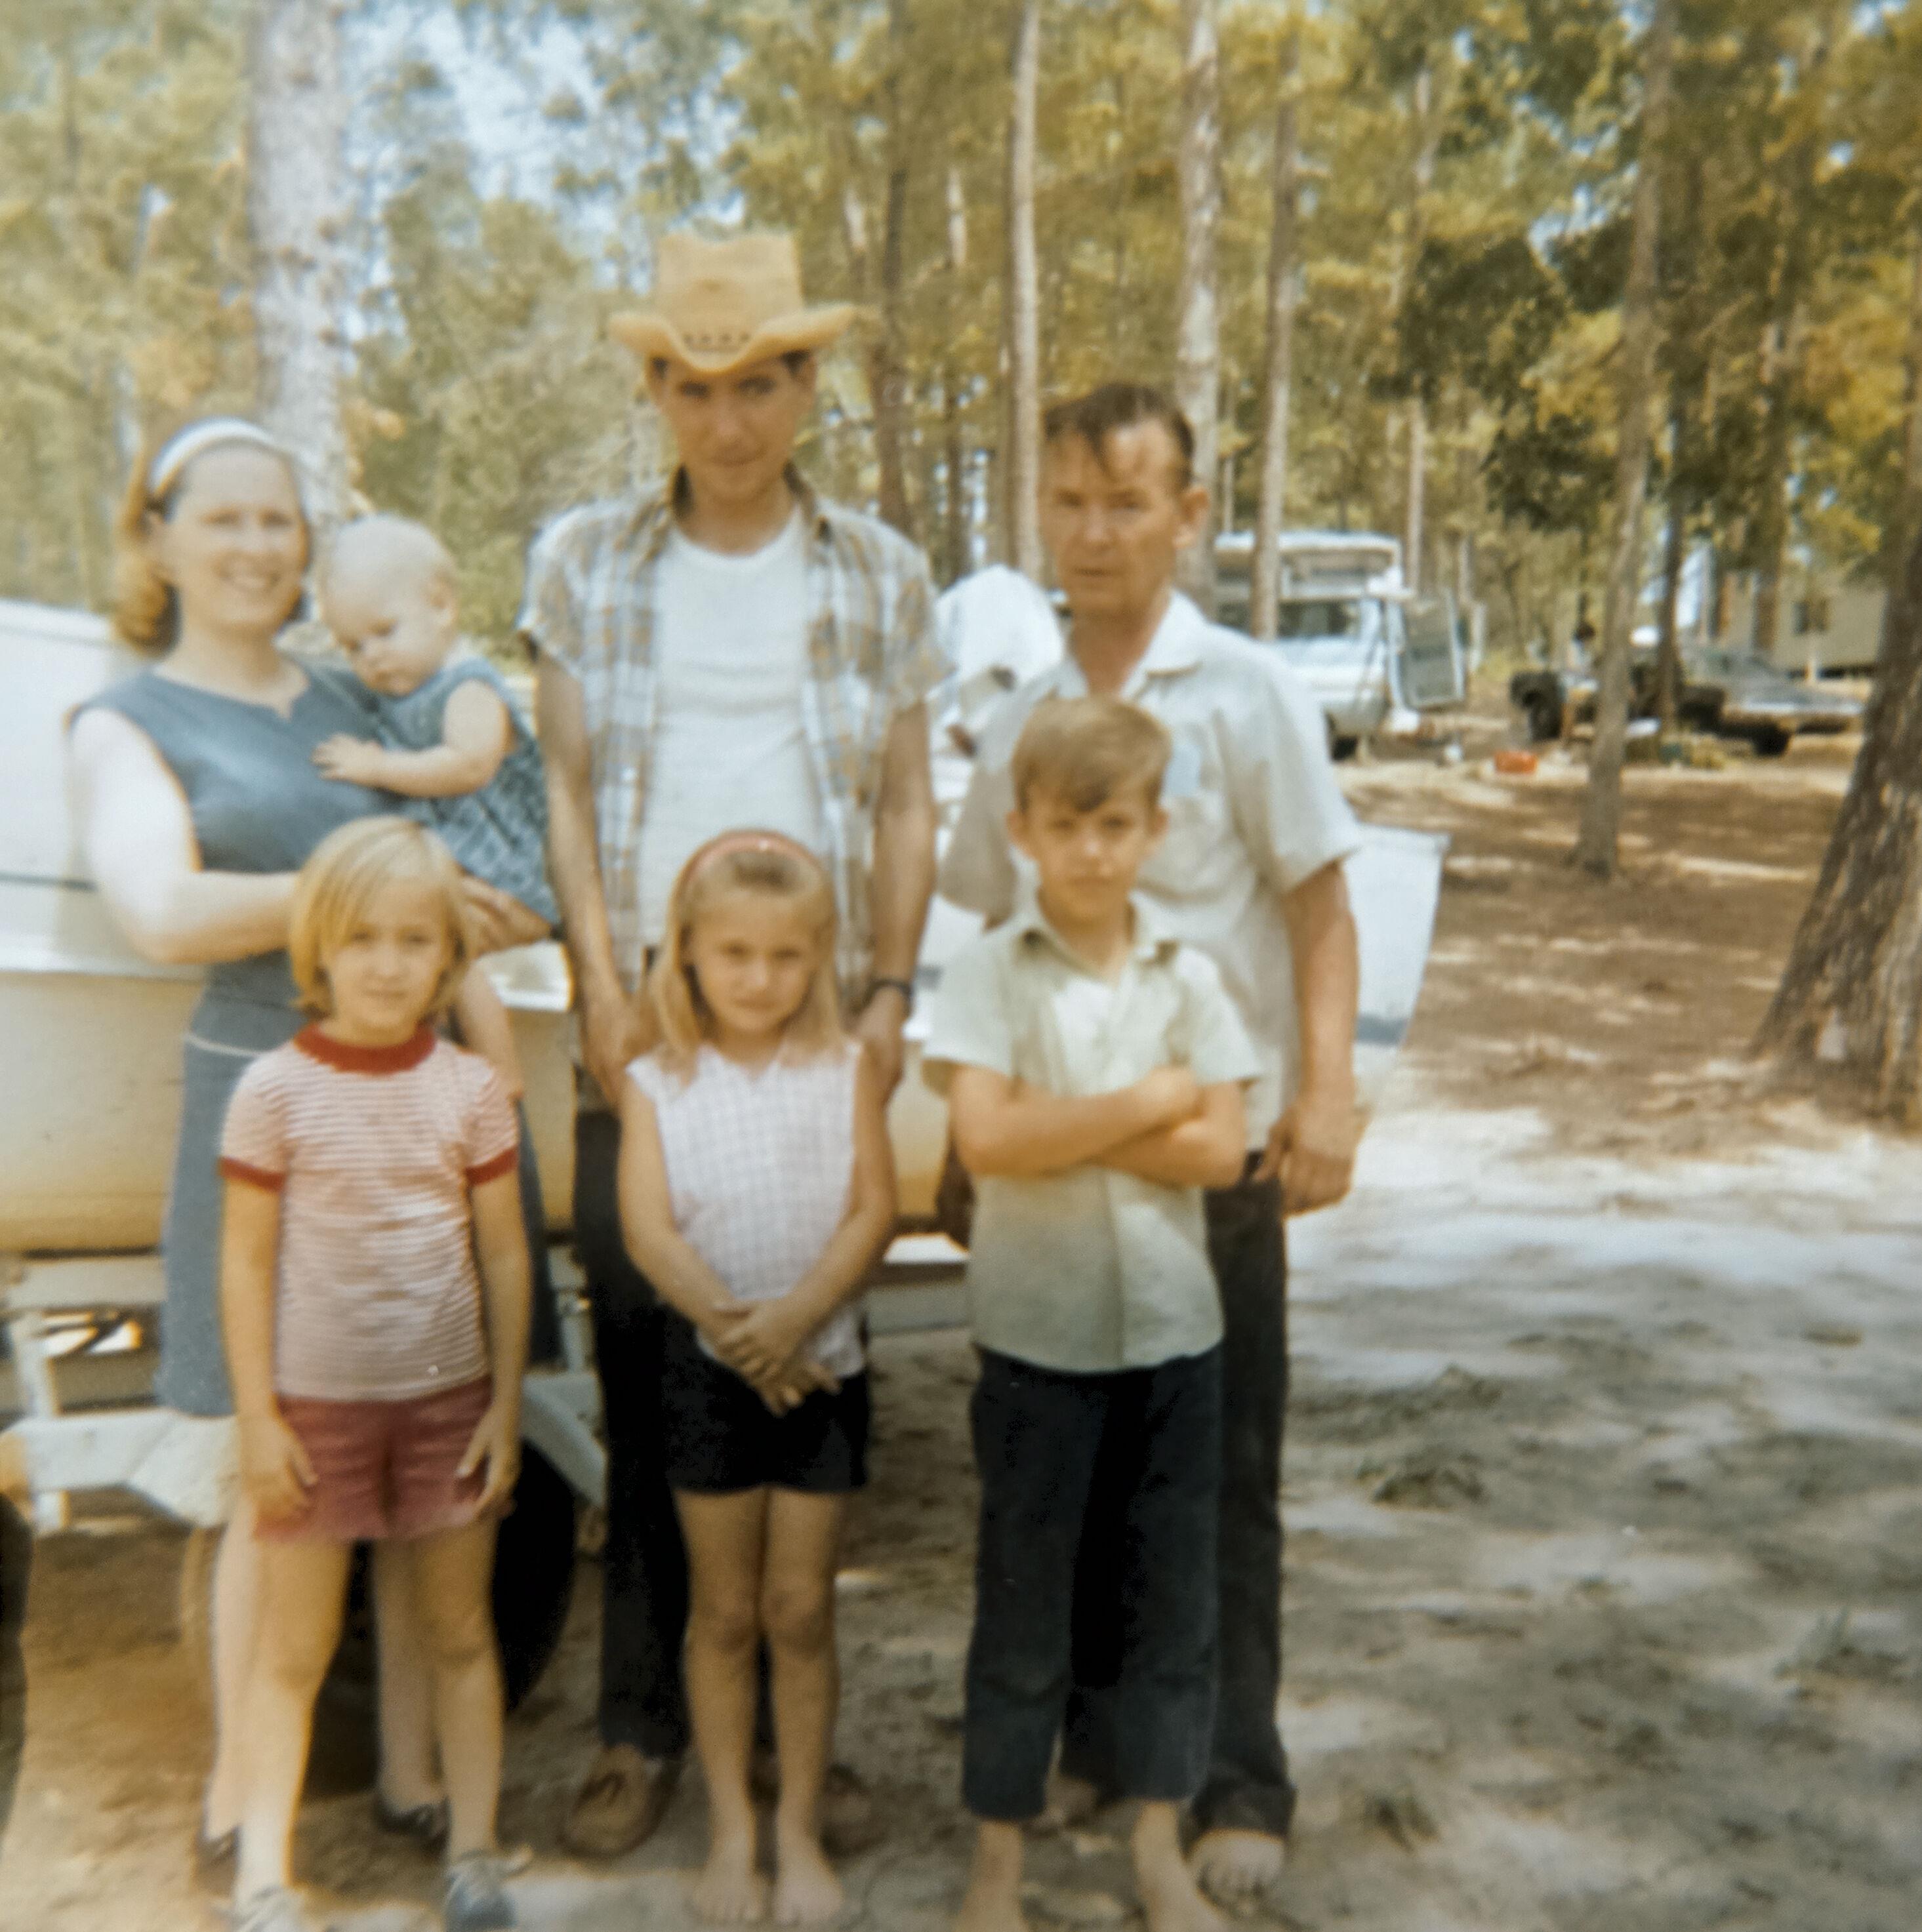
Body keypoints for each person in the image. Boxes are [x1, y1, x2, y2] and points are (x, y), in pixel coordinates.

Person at [67, 418, 548, 1882]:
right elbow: (160, 911)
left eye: (282, 521)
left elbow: (477, 831)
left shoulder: (353, 688)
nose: (261, 548)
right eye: (224, 521)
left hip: (430, 1096)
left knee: (416, 1446)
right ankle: (237, 1803)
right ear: (158, 540)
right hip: (268, 1104)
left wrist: (487, 908)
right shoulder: (128, 718)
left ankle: (409, 1776)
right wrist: (384, 893)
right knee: (263, 1467)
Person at [523, 230, 946, 1859]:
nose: (726, 417)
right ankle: (643, 1724)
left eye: (758, 380)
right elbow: (564, 788)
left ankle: (795, 1734)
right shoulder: (584, 561)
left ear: (806, 383)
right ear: (654, 391)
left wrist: (891, 989)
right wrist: (601, 985)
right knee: (654, 1363)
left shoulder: (877, 570)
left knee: (816, 1351)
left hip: (813, 1002)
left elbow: (906, 794)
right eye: (692, 386)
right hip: (651, 1013)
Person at [940, 384, 1364, 1913]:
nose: (1092, 532)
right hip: (1058, 1149)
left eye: (1126, 502)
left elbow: (1319, 903)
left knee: (1215, 1473)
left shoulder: (1245, 692)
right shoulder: (1018, 709)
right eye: (1065, 501)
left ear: (1188, 514)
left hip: (1208, 1148)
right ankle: (1100, 1743)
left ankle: (1232, 1775)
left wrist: (1324, 1100)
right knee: (1073, 1469)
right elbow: (988, 910)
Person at [924, 696, 1257, 1932]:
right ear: (1022, 829)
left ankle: (1159, 1852)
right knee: (1024, 1605)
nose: (1095, 850)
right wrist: (1146, 1102)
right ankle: (997, 1871)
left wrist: (1100, 1120)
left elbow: (1222, 1150)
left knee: (1173, 1600)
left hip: (1175, 1334)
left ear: (1156, 829)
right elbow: (990, 1139)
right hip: (1036, 1341)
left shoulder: (1189, 973)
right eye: (1068, 825)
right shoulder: (989, 973)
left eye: (1117, 823)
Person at [219, 817, 529, 1932]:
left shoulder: (472, 1090)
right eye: (362, 938)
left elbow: (503, 1251)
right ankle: (265, 1871)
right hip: (317, 1413)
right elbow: (247, 1260)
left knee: (460, 1635)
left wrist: (502, 1403)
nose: (389, 962)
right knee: (292, 1651)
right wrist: (258, 1418)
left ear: (449, 956)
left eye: (414, 939)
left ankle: (479, 1850)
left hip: (448, 1408)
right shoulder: (272, 1090)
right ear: (319, 949)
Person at [618, 831, 895, 1924]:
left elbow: (873, 1206)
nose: (759, 978)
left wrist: (795, 1322)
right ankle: (733, 1830)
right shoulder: (656, 1080)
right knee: (726, 1614)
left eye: (786, 957)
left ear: (819, 958)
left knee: (801, 1608)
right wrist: (742, 1337)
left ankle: (799, 1830)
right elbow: (647, 1228)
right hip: (712, 1377)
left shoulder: (844, 1069)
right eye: (733, 953)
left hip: (822, 1372)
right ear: (687, 952)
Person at [312, 514, 560, 1098]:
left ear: (443, 607)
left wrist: (379, 767)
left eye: (384, 631)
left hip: (507, 877)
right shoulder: (396, 694)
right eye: (353, 647)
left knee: (447, 952)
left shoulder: (466, 686)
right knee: (416, 951)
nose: (371, 657)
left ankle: (501, 1078)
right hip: (458, 872)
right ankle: (431, 1075)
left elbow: (469, 764)